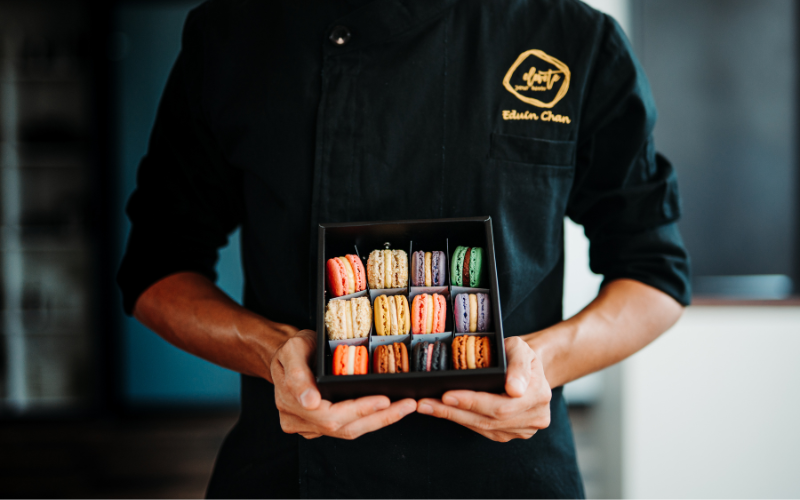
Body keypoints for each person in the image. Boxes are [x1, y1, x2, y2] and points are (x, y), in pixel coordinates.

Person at [118, 0, 690, 497]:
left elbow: (655, 275)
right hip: (290, 471)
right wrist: (275, 352)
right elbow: (155, 270)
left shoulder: (575, 39)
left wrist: (542, 363)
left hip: (509, 476)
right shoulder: (233, 33)